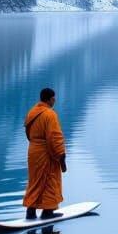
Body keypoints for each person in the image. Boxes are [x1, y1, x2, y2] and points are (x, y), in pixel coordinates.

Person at [23, 87, 67, 220]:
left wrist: (35, 144)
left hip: (33, 151)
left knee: (35, 181)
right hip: (46, 153)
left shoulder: (31, 112)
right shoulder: (50, 114)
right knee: (49, 180)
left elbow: (28, 133)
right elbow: (54, 137)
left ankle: (30, 212)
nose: (55, 101)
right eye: (53, 98)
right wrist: (61, 155)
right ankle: (47, 212)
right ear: (49, 99)